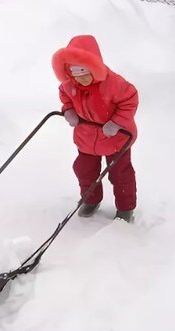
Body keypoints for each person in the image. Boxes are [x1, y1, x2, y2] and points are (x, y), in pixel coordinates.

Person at [51, 35, 139, 223]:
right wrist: (69, 110)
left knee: (120, 173)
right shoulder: (70, 84)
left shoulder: (114, 83)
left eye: (84, 73)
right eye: (75, 74)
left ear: (93, 67)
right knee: (84, 170)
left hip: (116, 139)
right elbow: (65, 95)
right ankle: (91, 199)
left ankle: (125, 208)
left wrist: (117, 123)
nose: (80, 79)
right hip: (86, 137)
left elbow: (130, 99)